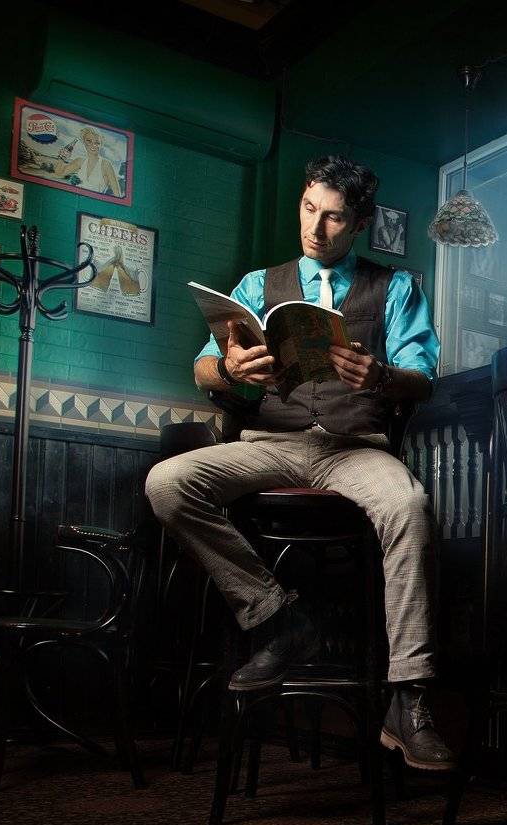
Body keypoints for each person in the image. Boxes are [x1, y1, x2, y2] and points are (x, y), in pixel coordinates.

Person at [145, 155, 452, 771]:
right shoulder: (258, 284)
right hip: (269, 442)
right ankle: (278, 618)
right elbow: (203, 368)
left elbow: (421, 379)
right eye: (309, 209)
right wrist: (229, 368)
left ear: (359, 223)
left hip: (355, 448)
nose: (316, 227)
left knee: (409, 505)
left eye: (334, 217)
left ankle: (408, 698)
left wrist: (382, 375)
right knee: (168, 483)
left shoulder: (396, 288)